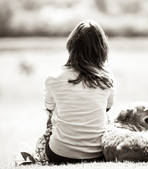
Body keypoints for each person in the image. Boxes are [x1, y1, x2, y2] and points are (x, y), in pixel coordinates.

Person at [22, 20, 115, 165]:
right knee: (107, 118)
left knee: (51, 123)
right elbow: (107, 108)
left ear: (71, 45)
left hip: (59, 154)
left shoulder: (54, 78)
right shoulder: (107, 79)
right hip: (97, 154)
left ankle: (37, 157)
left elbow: (50, 110)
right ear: (102, 48)